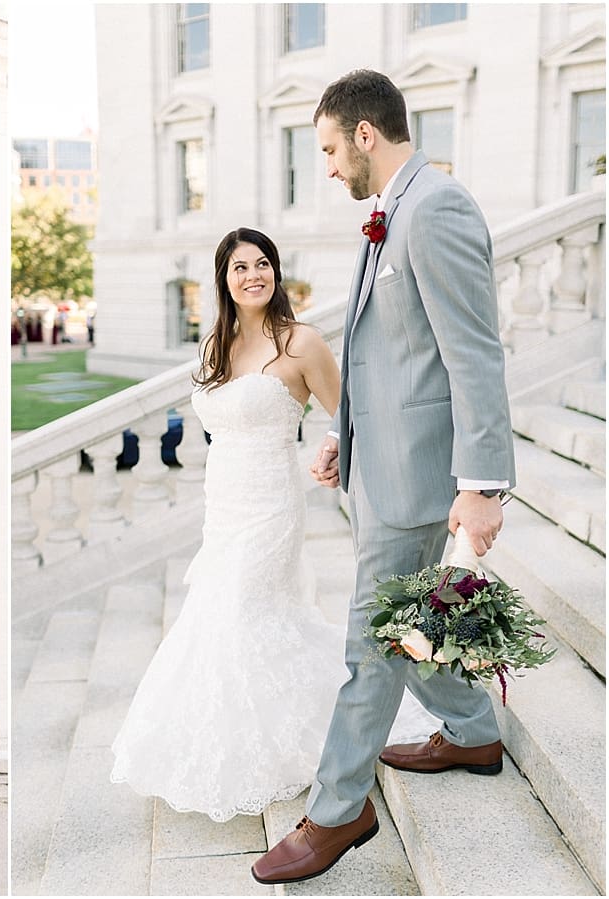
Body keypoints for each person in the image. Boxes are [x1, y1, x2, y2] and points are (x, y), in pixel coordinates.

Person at [252, 69, 514, 885]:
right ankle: (472, 729)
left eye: (329, 148)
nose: (326, 166)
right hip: (381, 467)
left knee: (371, 643)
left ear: (365, 135)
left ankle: (337, 809)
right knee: (404, 619)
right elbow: (391, 352)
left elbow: (473, 353)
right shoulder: (390, 213)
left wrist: (482, 483)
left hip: (421, 481)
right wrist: (344, 433)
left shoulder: (436, 208)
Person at [109, 226, 437, 821]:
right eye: (240, 267)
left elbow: (353, 411)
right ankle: (254, 735)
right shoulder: (215, 345)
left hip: (272, 506)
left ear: (276, 274)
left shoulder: (302, 342)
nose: (253, 275)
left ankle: (297, 747)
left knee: (235, 610)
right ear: (224, 279)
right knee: (241, 617)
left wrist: (334, 442)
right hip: (225, 504)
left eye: (263, 264)